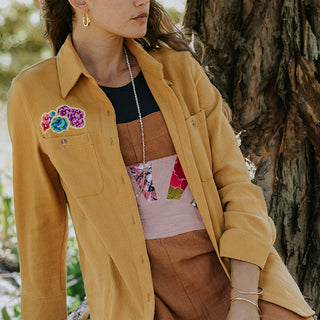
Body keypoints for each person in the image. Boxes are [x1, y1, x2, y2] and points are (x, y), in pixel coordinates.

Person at [6, 0, 315, 319]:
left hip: (240, 283)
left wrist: (245, 301)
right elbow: (40, 233)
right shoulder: (36, 95)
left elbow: (237, 186)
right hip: (138, 305)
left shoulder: (179, 70)